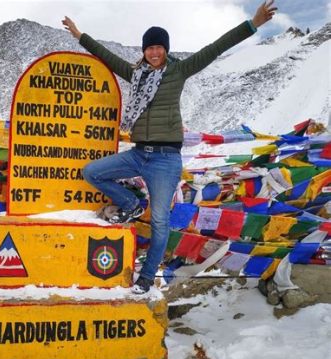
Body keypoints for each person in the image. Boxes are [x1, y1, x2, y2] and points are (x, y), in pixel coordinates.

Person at [62, 1, 277, 294]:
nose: (153, 52)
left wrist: (252, 24)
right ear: (144, 51)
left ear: (165, 49)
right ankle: (130, 204)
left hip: (165, 160)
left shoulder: (178, 71)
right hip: (138, 154)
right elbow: (107, 57)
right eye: (149, 48)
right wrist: (79, 35)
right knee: (93, 172)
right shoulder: (136, 75)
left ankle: (147, 279)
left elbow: (214, 48)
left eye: (158, 47)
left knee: (161, 221)